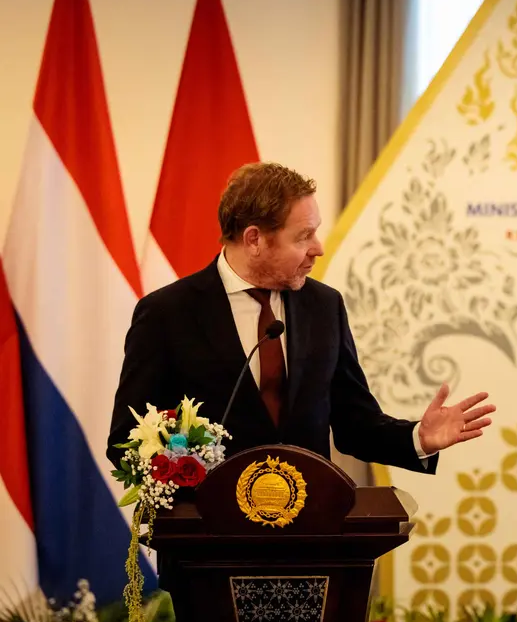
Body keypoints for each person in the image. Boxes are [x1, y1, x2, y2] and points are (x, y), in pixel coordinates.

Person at [106, 162, 495, 472]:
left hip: (310, 540)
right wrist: (186, 474)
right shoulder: (166, 314)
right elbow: (128, 440)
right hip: (208, 548)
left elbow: (354, 423)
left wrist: (418, 439)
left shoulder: (324, 307)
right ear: (255, 239)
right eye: (303, 236)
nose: (318, 248)